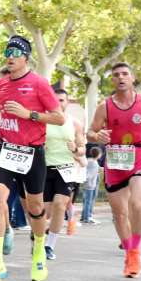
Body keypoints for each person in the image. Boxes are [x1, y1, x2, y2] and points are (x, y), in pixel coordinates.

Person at [0, 35, 64, 281]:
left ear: (26, 57)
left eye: (15, 53)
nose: (10, 56)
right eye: (7, 52)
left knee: (35, 208)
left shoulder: (39, 83)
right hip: (7, 149)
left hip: (33, 153)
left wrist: (30, 114)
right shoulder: (1, 84)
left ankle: (39, 251)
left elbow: (59, 118)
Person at [88, 62, 141, 278]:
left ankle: (135, 249)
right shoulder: (104, 106)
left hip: (140, 157)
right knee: (119, 213)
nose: (121, 78)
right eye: (116, 75)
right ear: (112, 80)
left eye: (125, 74)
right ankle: (130, 254)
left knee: (137, 204)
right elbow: (91, 132)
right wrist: (97, 136)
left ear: (132, 78)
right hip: (115, 161)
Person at [42, 88, 85, 260]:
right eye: (55, 100)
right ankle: (39, 238)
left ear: (67, 103)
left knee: (60, 205)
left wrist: (76, 148)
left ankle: (49, 246)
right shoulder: (43, 121)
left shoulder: (74, 123)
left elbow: (82, 149)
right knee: (45, 211)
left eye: (61, 100)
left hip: (65, 168)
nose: (58, 103)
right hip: (44, 168)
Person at [80, 144, 103, 224]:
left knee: (86, 201)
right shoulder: (94, 163)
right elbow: (90, 174)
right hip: (90, 185)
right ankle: (87, 217)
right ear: (98, 154)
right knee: (88, 201)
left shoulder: (89, 160)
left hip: (89, 184)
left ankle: (84, 216)